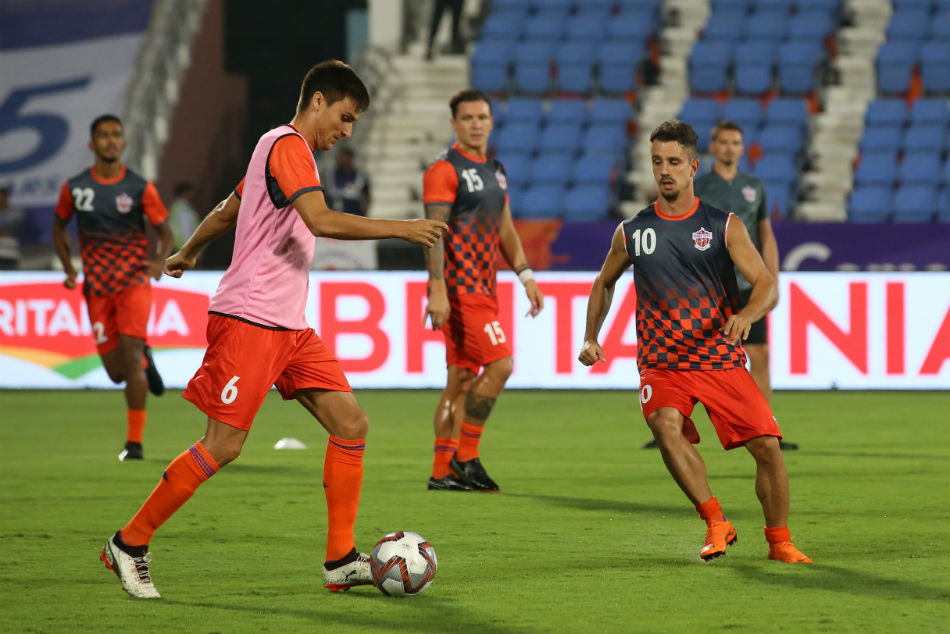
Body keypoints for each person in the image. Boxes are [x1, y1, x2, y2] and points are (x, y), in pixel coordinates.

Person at [98, 60, 447, 599]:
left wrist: (188, 251)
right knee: (224, 445)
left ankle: (339, 559)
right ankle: (130, 543)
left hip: (288, 326)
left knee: (350, 423)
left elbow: (228, 207)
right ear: (318, 102)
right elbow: (323, 221)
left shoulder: (278, 151)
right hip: (249, 320)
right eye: (346, 117)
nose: (347, 131)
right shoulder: (286, 145)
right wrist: (405, 228)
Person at [578, 120, 810, 564]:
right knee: (664, 427)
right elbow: (604, 283)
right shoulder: (633, 231)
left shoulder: (723, 225)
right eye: (657, 162)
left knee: (768, 447)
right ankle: (715, 520)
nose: (665, 171)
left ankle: (779, 542)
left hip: (718, 358)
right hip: (662, 362)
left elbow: (766, 283)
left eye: (674, 162)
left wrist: (746, 314)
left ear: (693, 167)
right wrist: (591, 336)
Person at [641, 120, 798, 451]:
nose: (729, 148)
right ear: (712, 148)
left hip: (746, 284)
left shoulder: (754, 187)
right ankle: (671, 420)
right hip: (705, 288)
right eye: (723, 142)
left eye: (735, 142)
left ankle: (764, 424)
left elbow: (765, 234)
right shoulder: (699, 183)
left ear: (743, 148)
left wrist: (773, 278)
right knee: (683, 352)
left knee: (760, 353)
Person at [422, 89, 544, 492]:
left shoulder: (495, 169)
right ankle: (466, 456)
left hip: (485, 287)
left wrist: (525, 275)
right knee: (501, 364)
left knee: (459, 379)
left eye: (482, 117)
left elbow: (505, 228)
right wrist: (436, 288)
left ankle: (442, 472)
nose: (476, 124)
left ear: (491, 122)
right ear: (454, 123)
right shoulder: (444, 169)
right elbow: (434, 232)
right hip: (461, 290)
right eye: (467, 117)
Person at [52, 114, 171, 461]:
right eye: (103, 136)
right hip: (97, 287)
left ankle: (134, 444)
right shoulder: (74, 188)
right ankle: (144, 362)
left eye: (116, 135)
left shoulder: (139, 187)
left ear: (124, 143)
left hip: (133, 281)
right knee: (117, 373)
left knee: (130, 357)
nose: (111, 141)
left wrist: (158, 261)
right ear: (92, 144)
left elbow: (165, 231)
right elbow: (59, 227)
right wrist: (68, 268)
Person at [327, 147, 371, 216]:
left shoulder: (361, 176)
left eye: (348, 158)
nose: (345, 161)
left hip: (355, 211)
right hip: (336, 212)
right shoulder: (331, 175)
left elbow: (367, 196)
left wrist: (365, 212)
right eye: (343, 158)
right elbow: (327, 194)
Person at [167, 182, 201, 251]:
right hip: (185, 249)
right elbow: (186, 229)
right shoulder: (183, 209)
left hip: (179, 247)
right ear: (185, 193)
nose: (194, 194)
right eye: (191, 192)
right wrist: (192, 250)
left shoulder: (176, 207)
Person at [0, 185, 24, 269]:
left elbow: (18, 229)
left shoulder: (16, 214)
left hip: (10, 249)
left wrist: (9, 232)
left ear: (6, 198)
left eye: (2, 197)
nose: (0, 200)